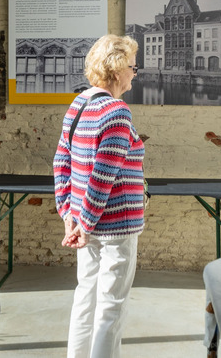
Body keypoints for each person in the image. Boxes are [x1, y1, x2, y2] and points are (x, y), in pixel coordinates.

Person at [53, 34, 146, 358]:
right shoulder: (117, 112)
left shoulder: (79, 104)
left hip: (83, 223)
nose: (136, 73)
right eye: (133, 66)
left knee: (85, 298)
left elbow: (61, 163)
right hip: (114, 229)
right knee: (110, 307)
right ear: (118, 70)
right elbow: (102, 178)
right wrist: (84, 225)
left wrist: (70, 217)